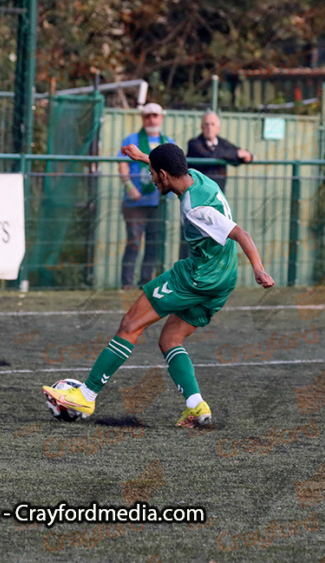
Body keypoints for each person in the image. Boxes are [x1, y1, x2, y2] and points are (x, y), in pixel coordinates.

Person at [44, 143, 274, 427]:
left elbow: (241, 233)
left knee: (131, 324)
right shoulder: (198, 178)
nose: (152, 178)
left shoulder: (195, 208)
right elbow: (171, 167)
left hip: (198, 276)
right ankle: (196, 407)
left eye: (153, 173)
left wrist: (259, 270)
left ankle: (87, 395)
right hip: (224, 279)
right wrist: (143, 157)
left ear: (164, 174)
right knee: (169, 340)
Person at [119, 103, 175, 289]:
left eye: (155, 115)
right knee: (134, 242)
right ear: (143, 118)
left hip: (159, 202)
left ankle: (146, 282)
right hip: (134, 203)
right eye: (147, 115)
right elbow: (122, 164)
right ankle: (127, 283)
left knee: (153, 243)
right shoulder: (132, 139)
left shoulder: (168, 142)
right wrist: (128, 186)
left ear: (161, 117)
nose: (152, 119)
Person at [186, 111, 253, 193]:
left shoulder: (223, 143)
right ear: (202, 127)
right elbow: (209, 156)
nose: (209, 127)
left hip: (218, 192)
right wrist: (235, 154)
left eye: (212, 124)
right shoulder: (194, 143)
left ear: (218, 128)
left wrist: (248, 156)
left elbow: (239, 154)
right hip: (199, 192)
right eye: (207, 124)